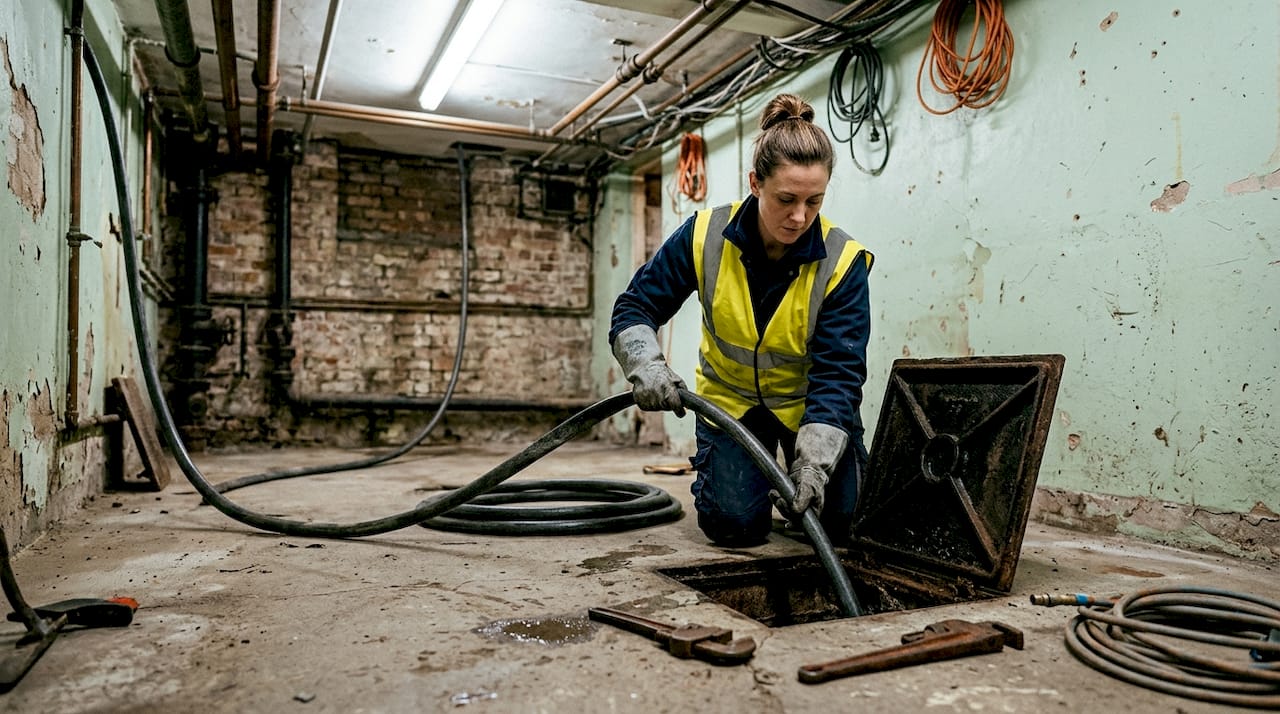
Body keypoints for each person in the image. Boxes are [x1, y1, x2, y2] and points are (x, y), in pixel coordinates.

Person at [609, 93, 874, 547]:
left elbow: (839, 375)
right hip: (730, 406)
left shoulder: (842, 260)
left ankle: (803, 477)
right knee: (734, 527)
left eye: (814, 201)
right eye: (786, 198)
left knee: (844, 526)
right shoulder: (703, 235)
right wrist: (646, 365)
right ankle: (741, 489)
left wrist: (814, 464)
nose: (799, 216)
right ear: (755, 182)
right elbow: (635, 306)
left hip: (810, 409)